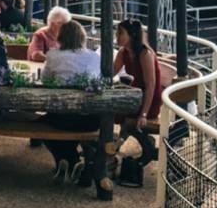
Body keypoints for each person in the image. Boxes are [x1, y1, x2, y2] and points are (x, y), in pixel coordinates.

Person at [41, 21, 102, 183]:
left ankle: (67, 158)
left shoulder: (53, 56)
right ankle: (73, 161)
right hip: (90, 119)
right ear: (82, 36)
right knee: (60, 122)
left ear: (61, 37)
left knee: (44, 124)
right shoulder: (94, 57)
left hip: (62, 118)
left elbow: (45, 80)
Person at [112, 19, 163, 186]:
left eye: (120, 33)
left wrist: (144, 114)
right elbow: (111, 72)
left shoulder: (144, 54)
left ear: (131, 35)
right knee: (112, 111)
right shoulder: (123, 52)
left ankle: (114, 149)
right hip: (135, 95)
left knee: (125, 117)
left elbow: (151, 85)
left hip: (149, 100)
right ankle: (114, 148)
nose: (117, 36)